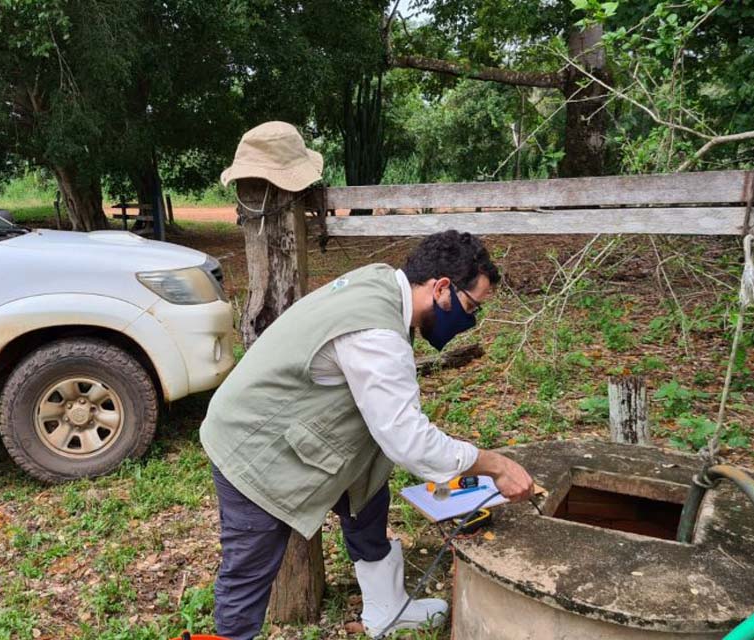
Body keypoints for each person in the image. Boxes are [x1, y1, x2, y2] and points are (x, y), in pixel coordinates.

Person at [200, 230, 535, 640]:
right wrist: (494, 466)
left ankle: (386, 609)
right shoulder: (376, 334)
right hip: (253, 443)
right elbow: (410, 443)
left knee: (368, 495)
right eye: (470, 307)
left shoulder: (383, 283)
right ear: (442, 287)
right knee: (249, 570)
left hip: (302, 423)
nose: (471, 321)